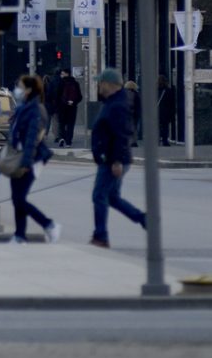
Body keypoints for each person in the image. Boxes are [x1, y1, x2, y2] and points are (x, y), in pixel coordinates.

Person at [87, 68, 147, 248]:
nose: (98, 86)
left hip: (112, 159)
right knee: (112, 197)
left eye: (100, 83)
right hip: (111, 158)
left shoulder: (118, 105)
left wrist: (117, 161)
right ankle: (143, 219)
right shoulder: (114, 101)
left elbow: (121, 134)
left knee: (99, 196)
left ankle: (101, 236)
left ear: (108, 84)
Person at [0, 74, 58, 244]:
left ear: (29, 90)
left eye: (21, 87)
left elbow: (32, 139)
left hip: (31, 159)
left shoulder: (36, 110)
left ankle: (48, 224)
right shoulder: (22, 108)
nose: (17, 90)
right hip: (18, 157)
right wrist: (0, 159)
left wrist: (26, 163)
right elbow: (14, 138)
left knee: (19, 199)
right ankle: (20, 235)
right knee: (17, 198)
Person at [51, 66, 83, 148]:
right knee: (70, 124)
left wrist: (57, 105)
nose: (61, 75)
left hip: (62, 107)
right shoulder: (75, 83)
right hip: (72, 107)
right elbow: (79, 97)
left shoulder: (60, 83)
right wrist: (73, 102)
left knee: (61, 123)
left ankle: (62, 138)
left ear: (66, 74)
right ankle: (68, 141)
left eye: (62, 73)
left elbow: (56, 96)